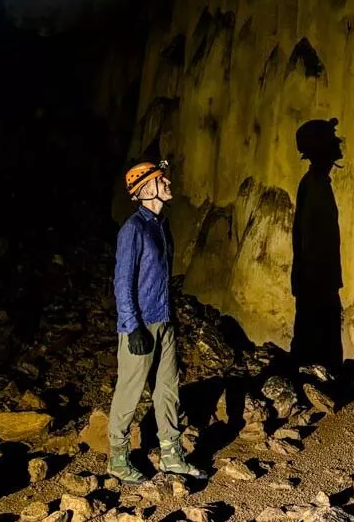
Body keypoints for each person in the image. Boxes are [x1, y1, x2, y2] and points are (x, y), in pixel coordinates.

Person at [107, 160, 205, 484]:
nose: (167, 182)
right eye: (161, 179)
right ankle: (117, 460)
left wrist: (169, 319)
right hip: (140, 325)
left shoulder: (161, 227)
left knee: (167, 390)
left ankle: (171, 455)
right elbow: (123, 282)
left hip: (163, 321)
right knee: (130, 393)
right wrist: (132, 325)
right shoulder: (133, 229)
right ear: (147, 189)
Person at [291, 118, 344, 370]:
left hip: (317, 281)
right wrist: (319, 282)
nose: (338, 142)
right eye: (332, 139)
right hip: (317, 282)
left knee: (313, 339)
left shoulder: (315, 183)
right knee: (317, 341)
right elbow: (311, 240)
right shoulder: (314, 185)